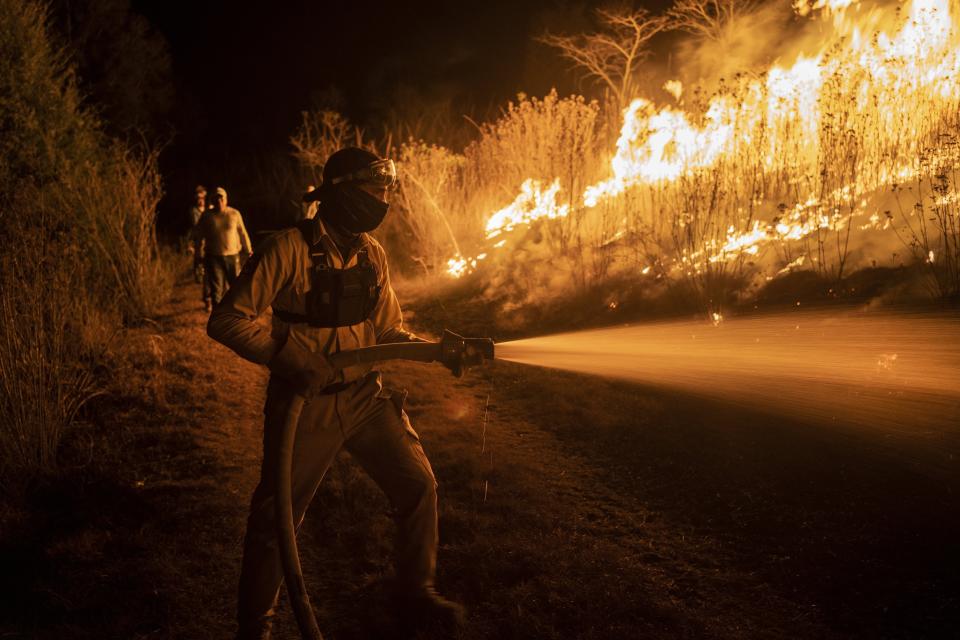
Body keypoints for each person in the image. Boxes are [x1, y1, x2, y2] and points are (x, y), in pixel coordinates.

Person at [207, 148, 465, 639]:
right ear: (342, 193)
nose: (383, 201)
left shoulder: (373, 255)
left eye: (387, 191)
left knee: (418, 485)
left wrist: (439, 350)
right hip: (305, 408)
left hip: (366, 398)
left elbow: (388, 332)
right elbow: (226, 319)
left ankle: (414, 596)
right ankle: (255, 628)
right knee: (275, 519)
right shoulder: (288, 249)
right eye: (375, 191)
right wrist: (289, 358)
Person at [194, 186, 253, 310]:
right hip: (213, 257)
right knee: (217, 289)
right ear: (212, 201)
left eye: (221, 198)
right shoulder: (206, 216)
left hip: (232, 256)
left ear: (226, 200)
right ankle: (218, 317)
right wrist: (198, 254)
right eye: (216, 199)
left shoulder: (234, 214)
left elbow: (242, 233)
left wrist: (248, 250)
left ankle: (236, 314)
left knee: (236, 286)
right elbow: (199, 237)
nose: (219, 201)